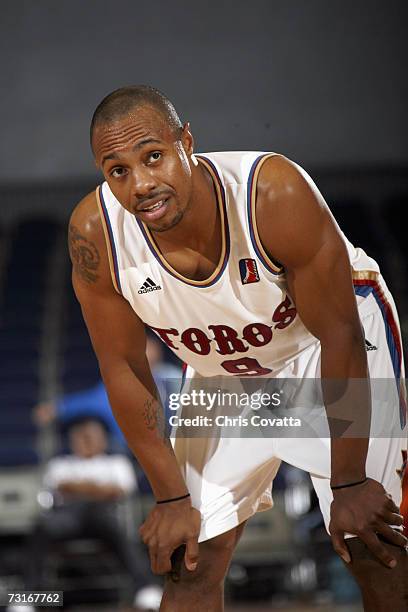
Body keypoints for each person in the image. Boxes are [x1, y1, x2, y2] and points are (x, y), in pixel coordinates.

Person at [68, 85, 408, 611]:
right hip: (225, 372)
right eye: (117, 171)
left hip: (323, 348)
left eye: (153, 156)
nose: (140, 185)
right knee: (189, 561)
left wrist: (350, 481)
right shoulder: (96, 234)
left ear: (187, 142)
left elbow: (339, 334)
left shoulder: (271, 193)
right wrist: (171, 497)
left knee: (375, 545)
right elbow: (122, 367)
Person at [17, 418, 162, 612]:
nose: (85, 441)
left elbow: (118, 490)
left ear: (102, 440)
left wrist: (77, 488)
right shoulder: (59, 464)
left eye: (90, 437)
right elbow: (58, 485)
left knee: (121, 529)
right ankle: (28, 598)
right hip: (67, 518)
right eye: (80, 437)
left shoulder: (116, 463)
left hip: (103, 517)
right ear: (72, 441)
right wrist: (97, 489)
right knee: (40, 527)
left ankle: (146, 588)